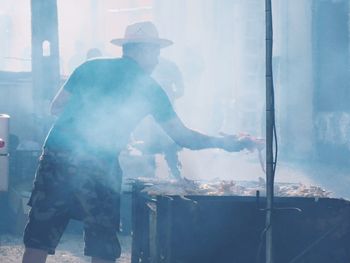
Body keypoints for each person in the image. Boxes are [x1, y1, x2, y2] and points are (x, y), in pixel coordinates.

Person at [22, 21, 263, 263]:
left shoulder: (89, 67)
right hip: (99, 165)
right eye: (156, 52)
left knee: (38, 238)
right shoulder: (150, 89)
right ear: (143, 50)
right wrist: (227, 142)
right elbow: (183, 137)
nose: (158, 59)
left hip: (57, 156)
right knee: (102, 245)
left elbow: (56, 107)